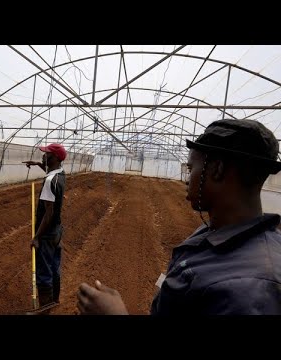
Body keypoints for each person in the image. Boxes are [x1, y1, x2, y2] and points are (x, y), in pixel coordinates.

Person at [77, 119, 281, 315]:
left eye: (191, 169)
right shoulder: (210, 231)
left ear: (217, 170)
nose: (186, 179)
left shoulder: (252, 290)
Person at [23, 143, 67, 308]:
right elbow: (49, 172)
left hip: (47, 234)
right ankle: (55, 299)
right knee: (55, 267)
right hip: (57, 231)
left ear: (54, 157)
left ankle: (45, 306)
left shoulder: (49, 181)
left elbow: (48, 212)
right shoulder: (60, 174)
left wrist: (37, 237)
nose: (43, 155)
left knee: (43, 270)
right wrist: (37, 164)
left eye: (46, 153)